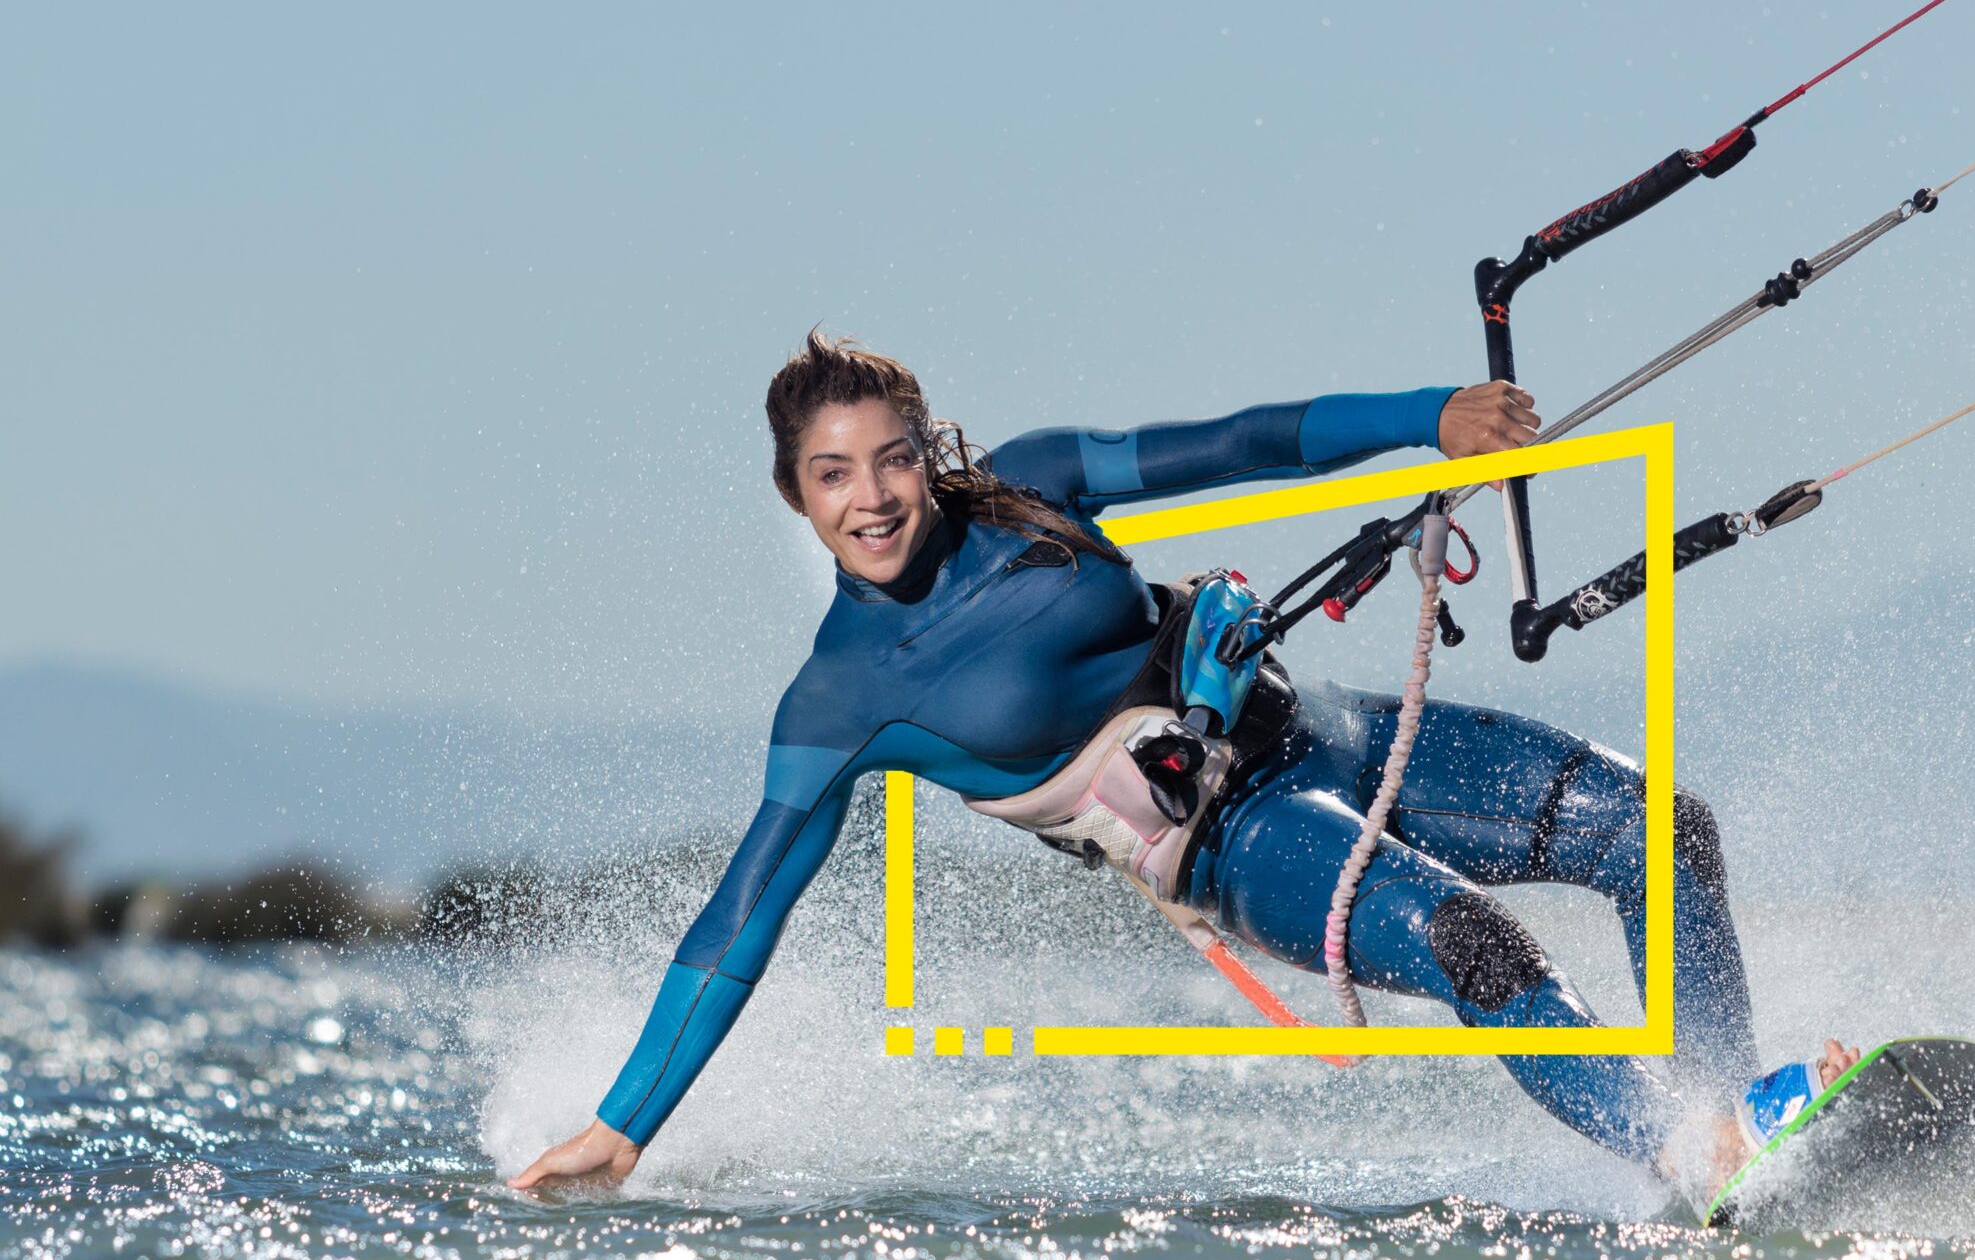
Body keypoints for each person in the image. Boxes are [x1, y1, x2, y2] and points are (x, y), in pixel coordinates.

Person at [508, 335, 1855, 1196]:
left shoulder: (1033, 489)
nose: (871, 498)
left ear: (930, 453)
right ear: (796, 497)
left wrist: (1426, 412)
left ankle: (1731, 1119)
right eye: (831, 476)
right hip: (1237, 848)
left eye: (892, 459)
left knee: (1657, 827)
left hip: (1321, 728)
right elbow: (740, 914)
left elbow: (1242, 440)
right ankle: (1680, 1149)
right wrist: (625, 1127)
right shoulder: (842, 701)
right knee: (1478, 948)